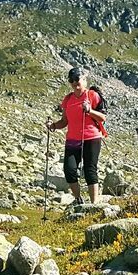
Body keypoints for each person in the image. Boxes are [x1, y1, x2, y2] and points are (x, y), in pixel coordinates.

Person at [46, 67, 108, 204]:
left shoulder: (92, 95)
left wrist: (90, 110)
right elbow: (64, 121)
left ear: (84, 80)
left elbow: (102, 118)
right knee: (69, 170)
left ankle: (94, 203)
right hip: (72, 139)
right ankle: (78, 200)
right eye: (71, 80)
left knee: (90, 170)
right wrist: (53, 125)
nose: (74, 82)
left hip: (91, 138)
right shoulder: (68, 99)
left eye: (76, 79)